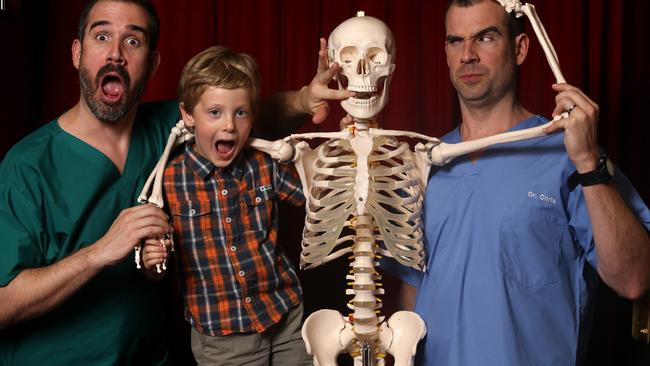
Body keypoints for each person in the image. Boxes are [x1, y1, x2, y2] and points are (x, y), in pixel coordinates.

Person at [0, 0, 348, 364]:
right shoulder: (28, 166)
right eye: (102, 36)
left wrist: (305, 99)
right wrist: (98, 253)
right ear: (77, 53)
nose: (116, 54)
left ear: (152, 63)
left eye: (132, 41)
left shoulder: (169, 130)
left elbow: (238, 119)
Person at [389, 1, 650, 365]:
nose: (467, 55)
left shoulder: (569, 154)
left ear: (520, 48)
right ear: (446, 53)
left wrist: (589, 163)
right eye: (455, 41)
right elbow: (411, 295)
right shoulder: (425, 165)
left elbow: (635, 279)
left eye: (485, 37)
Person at [140, 45, 311, 366]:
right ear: (188, 115)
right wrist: (153, 262)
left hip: (285, 315)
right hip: (223, 337)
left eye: (240, 112)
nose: (229, 125)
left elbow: (316, 199)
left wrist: (328, 160)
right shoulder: (170, 180)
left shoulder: (265, 164)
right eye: (215, 112)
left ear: (253, 115)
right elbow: (154, 266)